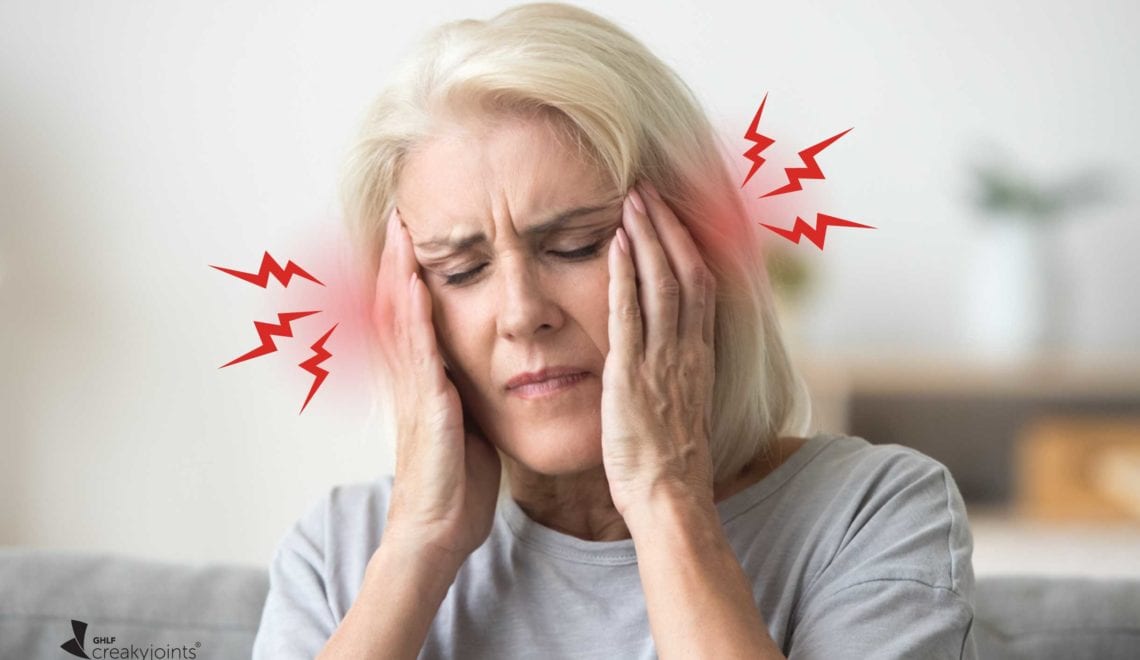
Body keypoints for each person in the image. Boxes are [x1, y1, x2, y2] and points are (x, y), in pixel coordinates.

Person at [252, 3, 977, 658]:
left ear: (697, 258)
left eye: (574, 245)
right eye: (461, 269)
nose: (520, 313)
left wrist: (666, 498)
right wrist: (415, 549)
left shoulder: (873, 513)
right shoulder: (341, 553)